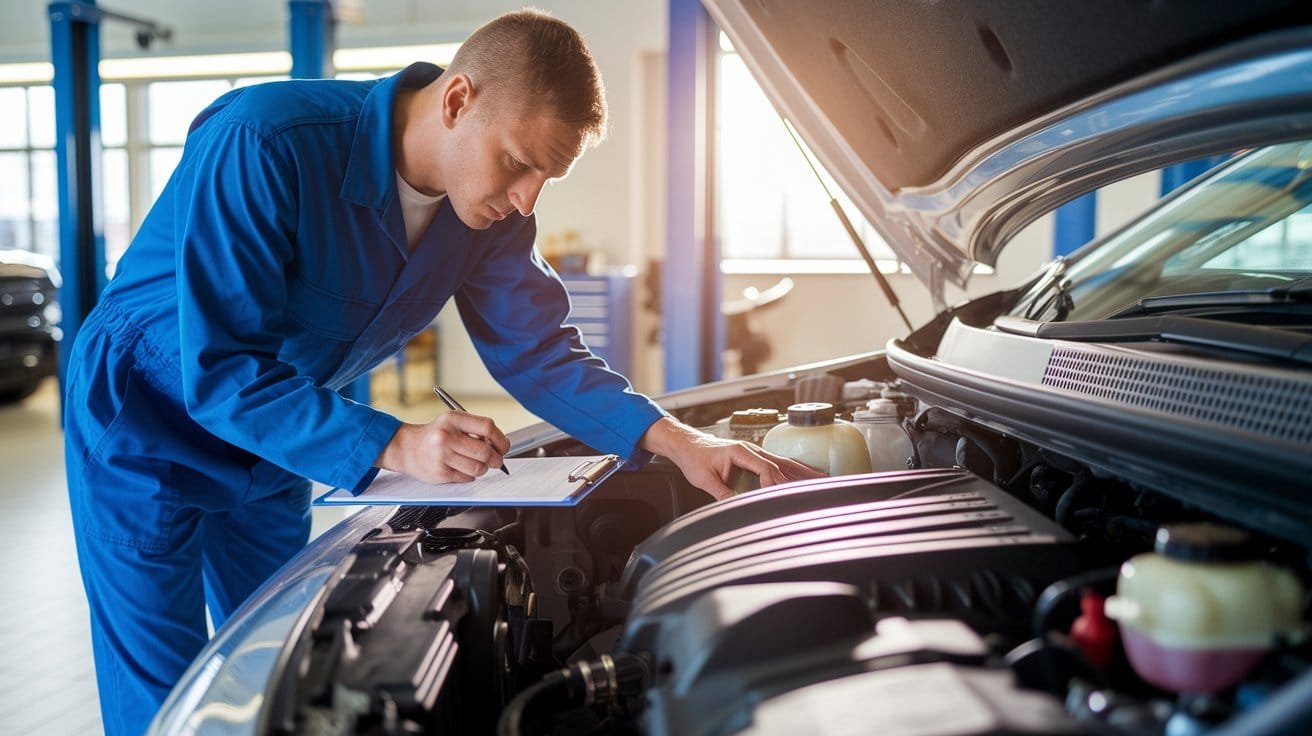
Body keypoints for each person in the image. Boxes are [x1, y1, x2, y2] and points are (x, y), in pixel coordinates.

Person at [62, 9, 820, 734]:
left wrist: (677, 441)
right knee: (164, 695)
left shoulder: (489, 213)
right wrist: (395, 444)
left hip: (281, 432)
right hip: (143, 419)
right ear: (459, 99)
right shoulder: (265, 142)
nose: (527, 198)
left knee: (277, 665)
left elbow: (540, 351)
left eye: (545, 179)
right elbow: (220, 369)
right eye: (519, 164)